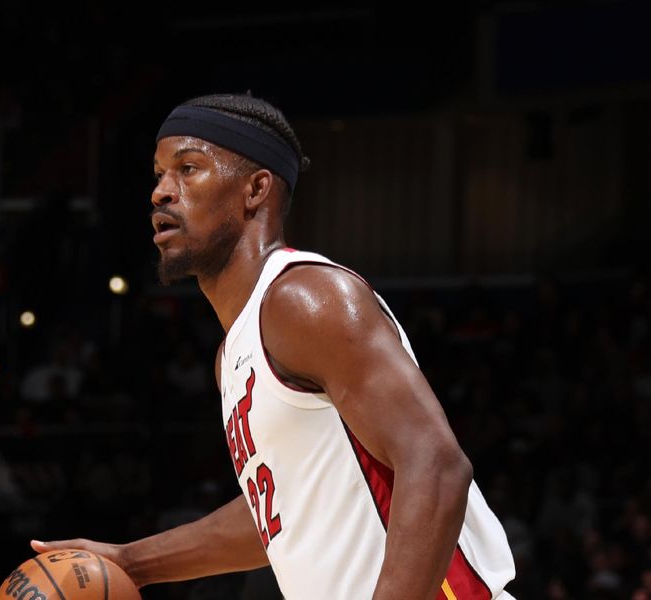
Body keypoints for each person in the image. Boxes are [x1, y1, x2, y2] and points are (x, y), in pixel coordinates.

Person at [31, 92, 517, 599]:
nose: (160, 192)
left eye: (188, 169)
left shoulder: (304, 297)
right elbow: (281, 513)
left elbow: (436, 464)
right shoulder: (233, 353)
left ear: (255, 189)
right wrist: (132, 562)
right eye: (158, 174)